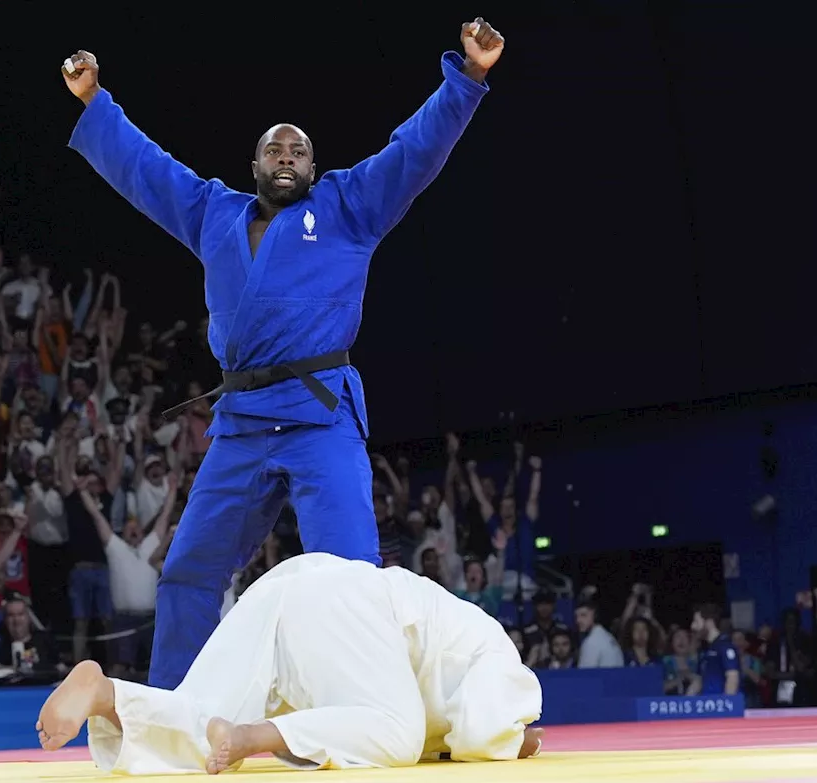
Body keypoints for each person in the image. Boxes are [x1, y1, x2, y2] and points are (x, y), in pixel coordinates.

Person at [60, 18, 506, 690]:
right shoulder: (215, 214)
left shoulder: (348, 207)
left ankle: (371, 704)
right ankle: (176, 712)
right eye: (276, 152)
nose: (288, 158)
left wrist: (468, 77)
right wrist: (97, 101)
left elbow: (413, 151)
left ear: (314, 166)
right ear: (256, 167)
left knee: (350, 575)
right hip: (240, 421)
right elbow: (148, 171)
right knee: (187, 571)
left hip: (319, 413)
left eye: (298, 151)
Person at [35, 552, 543, 775]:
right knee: (400, 734)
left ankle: (107, 695)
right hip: (349, 602)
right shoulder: (500, 655)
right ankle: (263, 736)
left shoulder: (464, 641)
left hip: (291, 592)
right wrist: (520, 742)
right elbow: (482, 732)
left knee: (202, 724)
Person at [689, 603, 740, 697]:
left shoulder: (725, 646)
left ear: (709, 622)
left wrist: (725, 707)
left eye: (696, 622)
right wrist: (683, 703)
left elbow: (732, 678)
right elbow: (698, 681)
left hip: (720, 708)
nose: (693, 626)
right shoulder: (704, 649)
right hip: (707, 707)